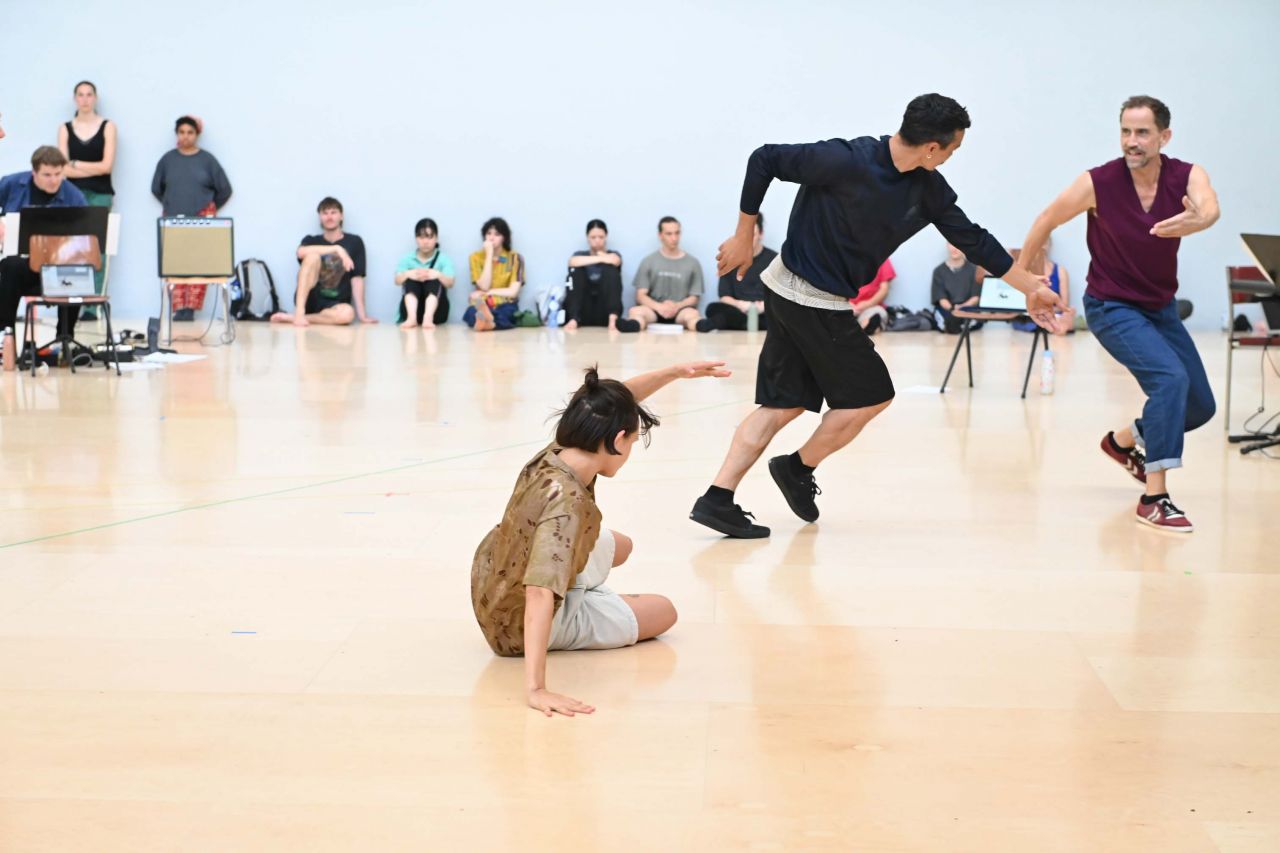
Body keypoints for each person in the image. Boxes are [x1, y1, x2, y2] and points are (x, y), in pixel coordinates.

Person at [689, 93, 1061, 539]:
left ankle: (717, 498)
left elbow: (975, 240)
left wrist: (1031, 288)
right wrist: (743, 235)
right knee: (871, 395)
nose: (951, 157)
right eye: (953, 149)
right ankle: (796, 468)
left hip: (788, 292)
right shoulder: (846, 159)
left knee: (783, 403)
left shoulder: (928, 189)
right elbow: (764, 158)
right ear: (932, 147)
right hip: (812, 300)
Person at [471, 360, 731, 716]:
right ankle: (579, 607)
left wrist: (674, 373)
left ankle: (584, 594)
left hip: (496, 579)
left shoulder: (561, 450)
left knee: (623, 546)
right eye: (633, 441)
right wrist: (536, 689)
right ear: (618, 440)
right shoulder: (567, 507)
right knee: (663, 611)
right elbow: (538, 593)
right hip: (513, 624)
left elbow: (613, 403)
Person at [1017, 95, 1218, 533]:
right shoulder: (1099, 182)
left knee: (1200, 405)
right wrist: (1028, 282)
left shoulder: (1186, 175)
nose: (1132, 141)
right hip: (1112, 306)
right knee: (1170, 380)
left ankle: (1122, 442)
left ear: (1164, 137)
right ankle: (1155, 498)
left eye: (1142, 132)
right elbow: (1047, 218)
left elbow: (1210, 207)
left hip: (1160, 308)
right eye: (1126, 131)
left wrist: (1200, 220)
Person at [0, 146, 89, 345]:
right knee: (10, 266)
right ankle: (5, 337)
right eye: (47, 175)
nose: (54, 180)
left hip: (59, 267)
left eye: (58, 174)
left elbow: (86, 240)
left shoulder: (74, 196)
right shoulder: (11, 184)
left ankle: (64, 340)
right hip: (24, 266)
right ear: (34, 172)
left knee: (76, 273)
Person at [150, 115, 232, 321]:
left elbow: (225, 189)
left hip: (202, 217)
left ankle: (191, 309)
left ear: (196, 135)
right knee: (176, 261)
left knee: (198, 261)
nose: (186, 136)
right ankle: (179, 308)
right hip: (174, 218)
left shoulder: (207, 160)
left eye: (190, 132)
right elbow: (156, 188)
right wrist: (171, 204)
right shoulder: (168, 160)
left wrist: (209, 208)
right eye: (182, 132)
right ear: (176, 134)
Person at [56, 81, 116, 319]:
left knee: (97, 249)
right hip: (72, 194)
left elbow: (106, 166)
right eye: (80, 95)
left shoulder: (108, 127)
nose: (85, 99)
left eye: (89, 94)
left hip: (100, 195)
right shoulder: (65, 129)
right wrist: (84, 168)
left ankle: (92, 305)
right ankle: (72, 301)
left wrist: (75, 164)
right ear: (75, 99)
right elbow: (62, 169)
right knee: (72, 249)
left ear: (95, 98)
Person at [270, 197, 374, 327]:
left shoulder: (355, 242)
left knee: (347, 314)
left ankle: (295, 317)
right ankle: (300, 312)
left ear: (341, 216)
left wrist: (362, 315)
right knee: (312, 257)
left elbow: (357, 279)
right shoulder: (311, 240)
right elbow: (300, 252)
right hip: (310, 300)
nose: (329, 217)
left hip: (336, 304)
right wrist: (337, 249)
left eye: (333, 212)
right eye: (325, 213)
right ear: (320, 217)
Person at [616, 217, 705, 332]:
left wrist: (676, 306)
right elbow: (640, 295)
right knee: (635, 311)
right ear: (660, 235)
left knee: (693, 315)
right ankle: (632, 326)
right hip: (653, 310)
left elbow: (694, 297)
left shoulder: (693, 263)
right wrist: (659, 307)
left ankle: (702, 326)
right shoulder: (648, 261)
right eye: (669, 234)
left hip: (680, 311)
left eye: (677, 233)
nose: (674, 238)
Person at [698, 213, 776, 332]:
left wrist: (763, 307)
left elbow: (781, 296)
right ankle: (745, 323)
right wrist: (741, 305)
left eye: (753, 235)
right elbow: (724, 297)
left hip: (765, 312)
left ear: (761, 234)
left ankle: (737, 324)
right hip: (738, 310)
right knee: (712, 308)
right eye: (745, 235)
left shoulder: (775, 260)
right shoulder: (730, 259)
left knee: (783, 312)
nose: (748, 239)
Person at [465, 217, 524, 332]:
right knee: (471, 312)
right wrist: (489, 254)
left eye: (497, 234)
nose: (491, 238)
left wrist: (489, 292)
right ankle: (488, 320)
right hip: (482, 302)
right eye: (488, 233)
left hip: (505, 303)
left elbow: (513, 292)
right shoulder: (475, 257)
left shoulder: (516, 258)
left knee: (506, 314)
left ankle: (487, 321)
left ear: (504, 237)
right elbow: (484, 286)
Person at [395, 217, 455, 328]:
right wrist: (409, 274)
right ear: (416, 238)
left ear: (436, 238)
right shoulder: (407, 259)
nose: (425, 242)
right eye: (421, 237)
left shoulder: (443, 259)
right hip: (411, 311)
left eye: (429, 237)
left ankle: (428, 318)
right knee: (411, 280)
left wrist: (438, 275)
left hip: (437, 314)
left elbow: (450, 283)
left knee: (434, 280)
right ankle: (411, 318)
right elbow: (397, 280)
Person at [563, 219, 623, 331]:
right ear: (587, 237)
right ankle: (573, 319)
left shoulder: (613, 254)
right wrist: (601, 258)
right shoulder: (580, 254)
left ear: (606, 237)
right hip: (583, 309)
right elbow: (572, 262)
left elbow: (616, 261)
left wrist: (603, 257)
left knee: (611, 270)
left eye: (601, 237)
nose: (597, 240)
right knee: (575, 271)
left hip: (604, 309)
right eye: (593, 237)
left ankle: (613, 320)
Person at [1011, 238, 1070, 333]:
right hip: (1028, 315)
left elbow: (1064, 304)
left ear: (1049, 244)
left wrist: (1049, 310)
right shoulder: (1024, 270)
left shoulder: (1060, 271)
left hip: (1053, 313)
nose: (1041, 245)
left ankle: (1059, 325)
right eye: (1039, 241)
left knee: (1065, 315)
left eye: (1044, 241)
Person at [931, 242, 982, 333]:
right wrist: (953, 309)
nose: (954, 248)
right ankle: (953, 325)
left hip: (968, 309)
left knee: (976, 319)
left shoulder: (974, 270)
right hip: (948, 309)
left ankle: (960, 325)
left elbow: (975, 298)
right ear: (947, 245)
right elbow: (942, 300)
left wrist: (962, 308)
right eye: (951, 244)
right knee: (944, 319)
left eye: (958, 244)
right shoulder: (939, 271)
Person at [850, 257, 895, 334]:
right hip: (846, 305)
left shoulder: (882, 258)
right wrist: (848, 304)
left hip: (871, 306)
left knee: (879, 312)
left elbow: (884, 290)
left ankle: (868, 325)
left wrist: (868, 304)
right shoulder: (845, 258)